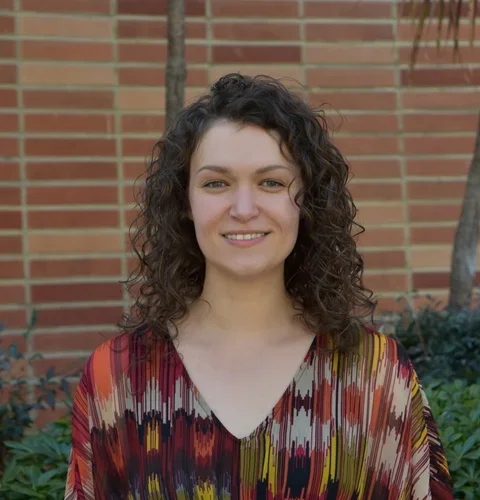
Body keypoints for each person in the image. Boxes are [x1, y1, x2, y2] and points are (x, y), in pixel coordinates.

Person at [64, 73, 453, 499]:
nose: (244, 209)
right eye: (217, 183)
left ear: (307, 202)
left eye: (271, 182)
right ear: (185, 203)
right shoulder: (116, 380)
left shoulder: (376, 376)